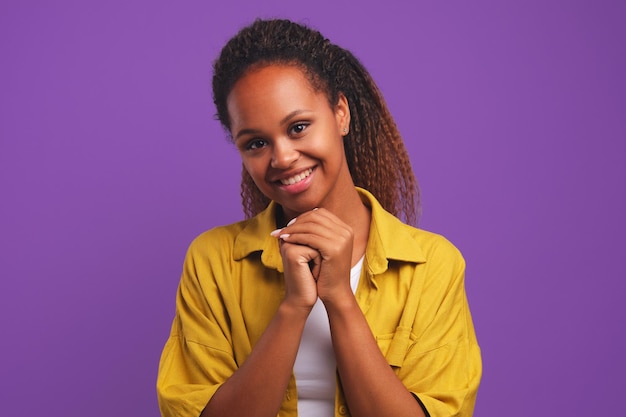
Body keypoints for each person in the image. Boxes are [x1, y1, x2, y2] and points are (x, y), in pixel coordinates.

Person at [157, 18, 481, 417]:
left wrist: (340, 299)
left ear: (340, 114)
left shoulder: (433, 266)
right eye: (256, 143)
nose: (282, 158)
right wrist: (294, 308)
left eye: (298, 127)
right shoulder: (213, 261)